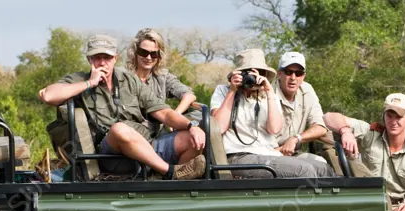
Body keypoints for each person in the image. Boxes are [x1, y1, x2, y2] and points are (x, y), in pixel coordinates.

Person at [38, 34, 204, 180]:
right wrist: (90, 83)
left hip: (145, 145)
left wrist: (191, 126)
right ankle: (169, 172)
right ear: (89, 59)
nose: (102, 63)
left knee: (193, 139)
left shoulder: (129, 80)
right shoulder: (80, 79)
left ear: (115, 58)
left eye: (107, 58)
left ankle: (171, 186)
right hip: (110, 155)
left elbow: (165, 113)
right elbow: (48, 95)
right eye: (97, 58)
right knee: (119, 129)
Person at [211, 49, 334, 179]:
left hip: (267, 154)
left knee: (324, 169)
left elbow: (274, 129)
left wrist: (269, 92)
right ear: (239, 73)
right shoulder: (223, 91)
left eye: (257, 72)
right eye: (247, 72)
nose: (251, 77)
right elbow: (218, 127)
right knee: (305, 170)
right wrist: (232, 91)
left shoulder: (268, 95)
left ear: (263, 74)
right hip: (238, 156)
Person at [273, 51, 332, 174]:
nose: (293, 78)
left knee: (321, 164)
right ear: (279, 73)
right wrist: (279, 150)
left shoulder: (307, 89)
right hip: (269, 154)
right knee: (303, 169)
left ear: (303, 76)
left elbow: (321, 127)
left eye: (298, 73)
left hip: (294, 153)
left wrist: (296, 139)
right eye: (288, 72)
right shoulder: (268, 92)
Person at [127, 28, 197, 118]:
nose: (148, 58)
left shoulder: (163, 77)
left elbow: (189, 95)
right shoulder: (123, 77)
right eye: (143, 52)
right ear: (135, 52)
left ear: (160, 55)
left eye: (154, 54)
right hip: (129, 129)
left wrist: (175, 116)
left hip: (159, 131)